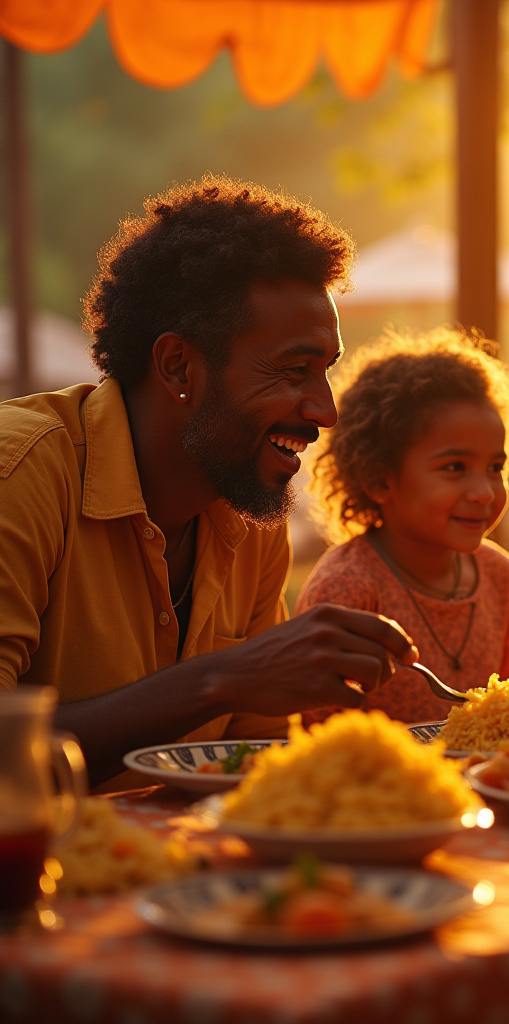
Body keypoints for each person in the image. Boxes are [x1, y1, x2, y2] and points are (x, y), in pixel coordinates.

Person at [0, 176, 417, 788]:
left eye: (325, 372)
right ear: (178, 367)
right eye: (294, 370)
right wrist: (222, 678)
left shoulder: (250, 513)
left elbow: (258, 766)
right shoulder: (22, 473)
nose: (326, 411)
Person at [296, 326, 509, 723]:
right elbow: (317, 729)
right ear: (379, 479)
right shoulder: (348, 588)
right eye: (455, 468)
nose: (483, 491)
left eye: (495, 468)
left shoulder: (502, 577)